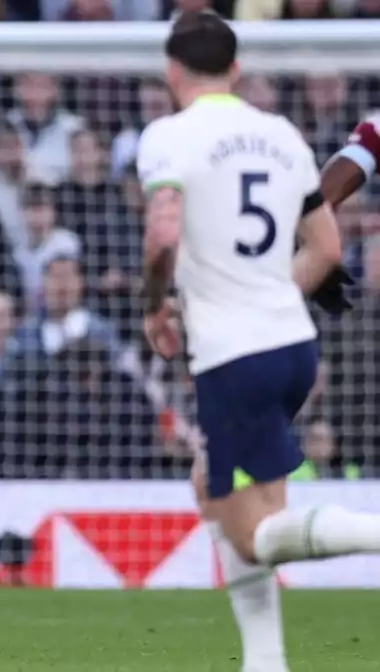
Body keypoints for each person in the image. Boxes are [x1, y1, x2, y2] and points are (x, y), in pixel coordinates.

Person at [137, 12, 380, 672]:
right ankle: (265, 661)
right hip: (295, 349)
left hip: (233, 355)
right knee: (218, 487)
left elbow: (163, 234)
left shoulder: (168, 134)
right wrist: (273, 288)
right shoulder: (281, 135)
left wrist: (154, 306)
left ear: (172, 72)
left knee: (254, 532)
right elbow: (327, 247)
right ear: (237, 70)